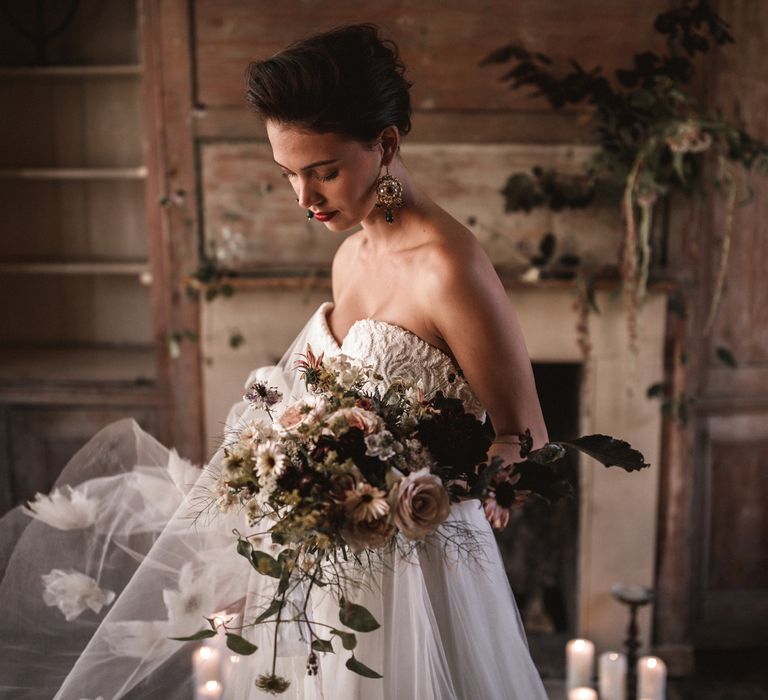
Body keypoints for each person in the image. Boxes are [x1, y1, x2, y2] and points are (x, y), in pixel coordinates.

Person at [0, 23, 549, 700]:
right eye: (289, 173)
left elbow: (525, 435)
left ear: (386, 144)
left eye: (324, 170)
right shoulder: (348, 254)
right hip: (328, 575)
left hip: (421, 576)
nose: (305, 199)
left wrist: (418, 495)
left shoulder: (449, 268)